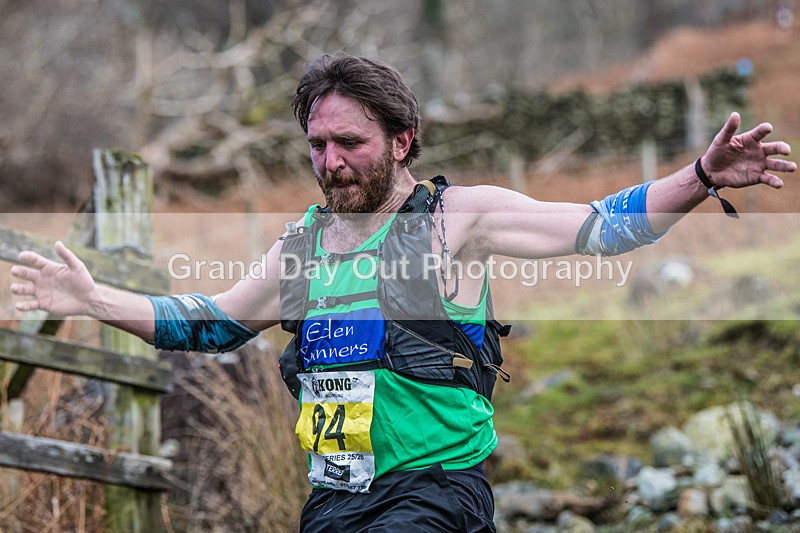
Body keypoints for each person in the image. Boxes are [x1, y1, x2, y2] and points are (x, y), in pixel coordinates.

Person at [9, 53, 796, 532]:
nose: (331, 161)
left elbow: (598, 226)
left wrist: (696, 179)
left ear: (400, 140)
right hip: (334, 499)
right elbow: (211, 325)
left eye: (349, 142)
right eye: (317, 144)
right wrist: (91, 298)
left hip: (436, 496)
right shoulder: (301, 246)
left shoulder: (462, 217)